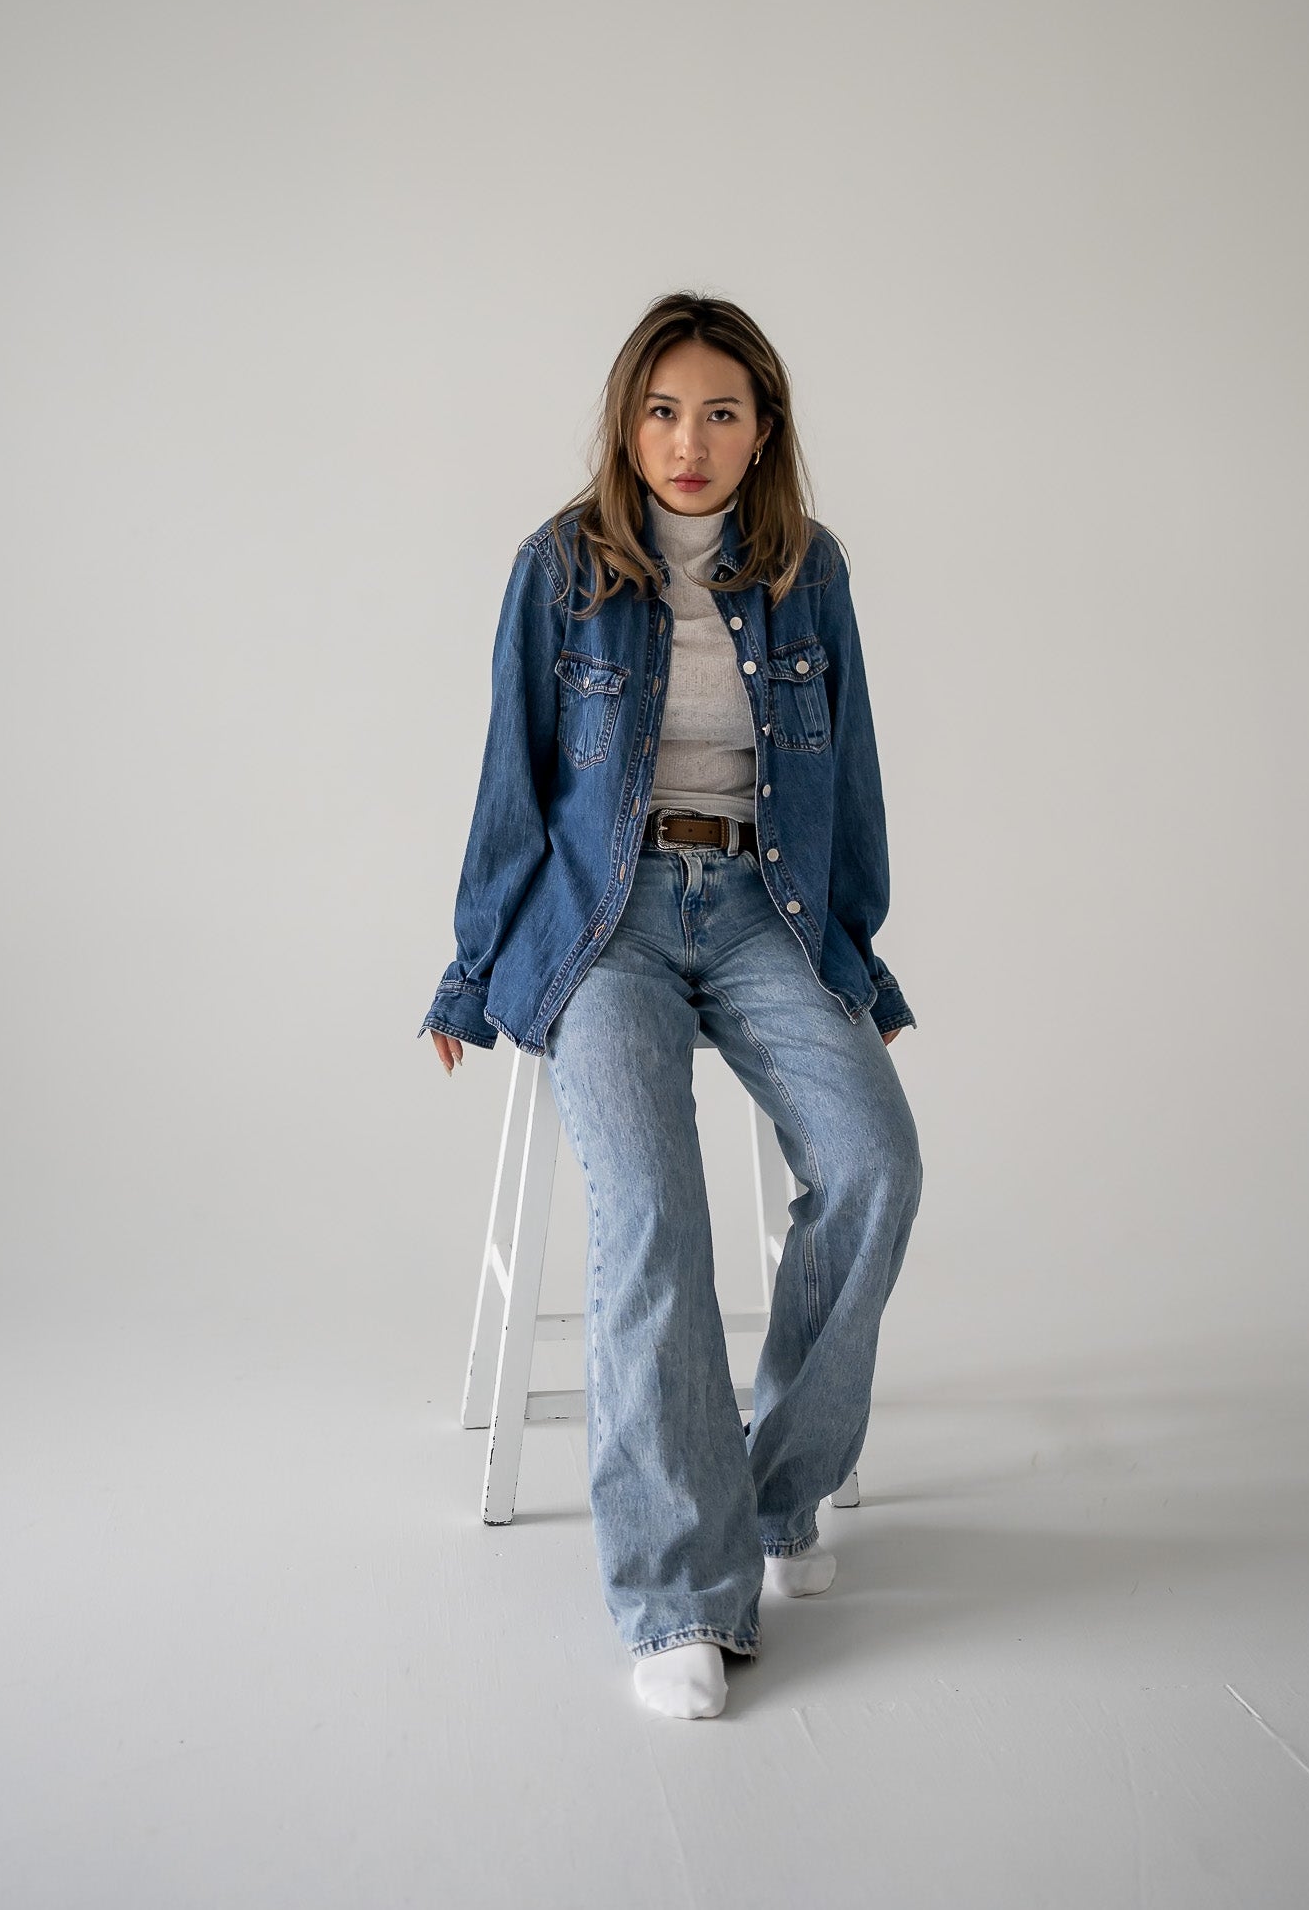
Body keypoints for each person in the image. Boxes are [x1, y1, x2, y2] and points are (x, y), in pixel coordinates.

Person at [419, 291, 924, 1719]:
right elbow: (511, 788)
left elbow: (852, 784)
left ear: (763, 429)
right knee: (652, 1209)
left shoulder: (807, 574)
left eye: (718, 411)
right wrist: (472, 968)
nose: (686, 440)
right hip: (610, 924)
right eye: (660, 410)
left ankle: (772, 1496)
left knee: (881, 1166)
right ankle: (673, 1598)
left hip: (765, 917)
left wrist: (858, 966)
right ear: (624, 423)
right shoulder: (562, 569)